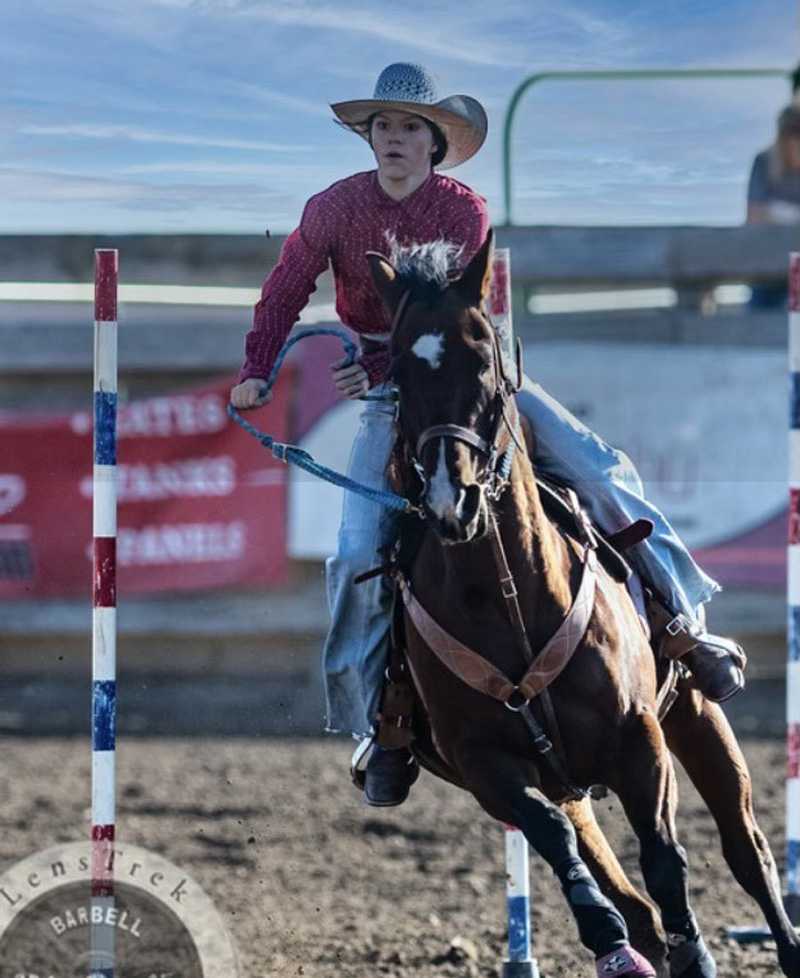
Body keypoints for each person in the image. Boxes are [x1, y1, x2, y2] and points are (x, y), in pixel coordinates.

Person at [230, 63, 745, 808]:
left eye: (410, 127)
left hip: (479, 384)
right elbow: (285, 287)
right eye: (383, 126)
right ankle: (376, 721)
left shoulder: (462, 213)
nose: (395, 138)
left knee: (602, 472)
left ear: (436, 144)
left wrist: (371, 358)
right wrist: (259, 365)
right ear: (368, 137)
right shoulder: (332, 209)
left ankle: (686, 626)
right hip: (392, 397)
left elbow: (452, 323)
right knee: (355, 552)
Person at [747, 103, 800, 307]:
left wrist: (775, 214)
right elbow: (753, 217)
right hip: (765, 261)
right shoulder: (764, 163)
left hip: (797, 265)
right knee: (759, 322)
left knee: (796, 326)